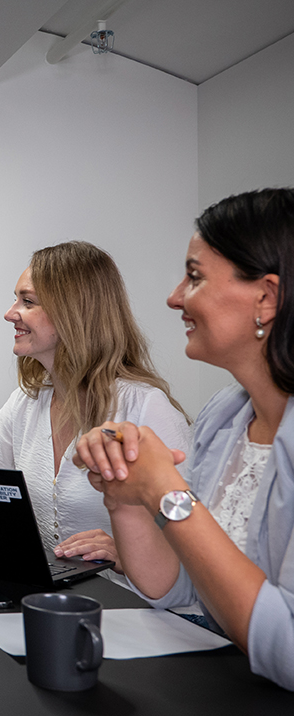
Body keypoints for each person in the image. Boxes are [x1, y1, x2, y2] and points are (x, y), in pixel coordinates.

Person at [75, 188, 294, 690]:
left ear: (266, 297)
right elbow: (174, 590)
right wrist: (125, 491)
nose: (176, 297)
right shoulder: (224, 416)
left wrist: (165, 491)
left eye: (194, 277)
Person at [0, 241, 192, 577]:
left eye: (27, 301)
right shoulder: (26, 401)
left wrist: (124, 553)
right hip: (57, 598)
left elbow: (196, 535)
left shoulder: (145, 407)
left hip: (140, 610)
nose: (10, 312)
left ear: (74, 314)